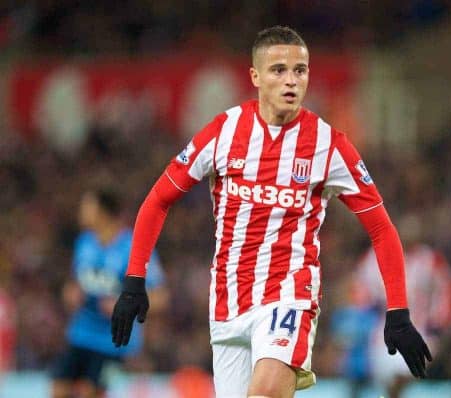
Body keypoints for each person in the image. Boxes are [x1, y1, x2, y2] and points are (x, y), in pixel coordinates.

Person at [111, 25, 431, 398]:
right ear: (256, 76)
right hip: (228, 303)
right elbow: (157, 200)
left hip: (288, 295)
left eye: (301, 70)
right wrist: (135, 281)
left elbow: (381, 228)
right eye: (279, 70)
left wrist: (398, 310)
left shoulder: (329, 145)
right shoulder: (223, 132)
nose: (291, 80)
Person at [51, 188, 167, 398]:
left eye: (87, 206)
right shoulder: (84, 243)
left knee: (91, 393)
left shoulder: (132, 247)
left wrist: (124, 303)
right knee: (58, 389)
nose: (82, 211)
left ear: (103, 211)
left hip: (113, 343)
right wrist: (71, 293)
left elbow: (161, 297)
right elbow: (74, 283)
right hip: (80, 335)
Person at [358, 214, 451, 398]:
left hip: (420, 329)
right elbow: (361, 289)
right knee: (386, 378)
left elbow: (447, 291)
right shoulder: (376, 255)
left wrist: (438, 323)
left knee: (403, 375)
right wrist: (367, 311)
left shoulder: (431, 260)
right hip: (383, 330)